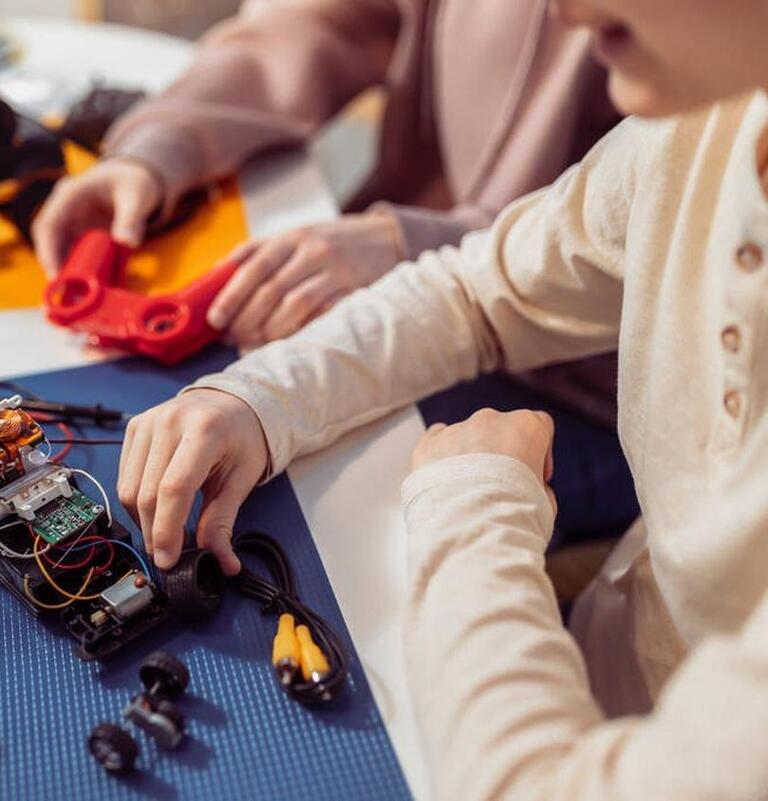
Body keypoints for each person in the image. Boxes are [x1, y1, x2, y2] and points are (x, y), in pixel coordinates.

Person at [115, 0, 768, 795]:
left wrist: (475, 507)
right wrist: (260, 396)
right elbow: (477, 289)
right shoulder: (712, 118)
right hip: (564, 665)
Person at [36, 0, 638, 542]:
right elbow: (325, 17)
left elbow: (607, 242)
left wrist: (410, 244)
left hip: (591, 399)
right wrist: (165, 141)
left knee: (336, 531)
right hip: (439, 303)